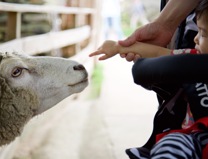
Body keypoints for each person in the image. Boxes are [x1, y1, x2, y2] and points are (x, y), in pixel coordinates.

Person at [89, 0, 208, 158]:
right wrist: (120, 47)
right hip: (191, 139)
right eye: (197, 31)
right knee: (170, 145)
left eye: (203, 33)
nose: (195, 39)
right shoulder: (191, 58)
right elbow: (159, 53)